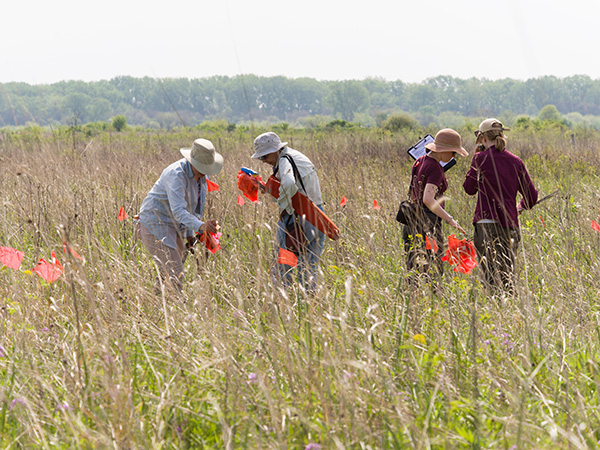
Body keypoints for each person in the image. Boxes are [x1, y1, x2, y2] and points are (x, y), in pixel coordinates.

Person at [137, 138, 223, 293]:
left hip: (174, 225)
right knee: (175, 271)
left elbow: (192, 208)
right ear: (193, 162)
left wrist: (191, 235)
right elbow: (178, 210)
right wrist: (201, 226)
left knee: (168, 271)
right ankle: (174, 311)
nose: (205, 172)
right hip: (155, 222)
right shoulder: (176, 175)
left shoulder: (202, 177)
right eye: (202, 167)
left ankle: (158, 308)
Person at [463, 118, 538, 292]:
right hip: (508, 225)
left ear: (482, 138)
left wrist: (475, 160)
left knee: (490, 278)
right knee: (507, 277)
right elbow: (531, 197)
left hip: (485, 226)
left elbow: (469, 189)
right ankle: (508, 313)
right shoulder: (516, 161)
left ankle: (495, 312)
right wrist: (519, 207)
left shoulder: (479, 159)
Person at [252, 131, 325, 292]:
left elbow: (290, 184)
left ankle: (281, 301)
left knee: (284, 265)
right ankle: (309, 304)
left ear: (275, 151)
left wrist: (283, 205)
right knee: (309, 266)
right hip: (317, 217)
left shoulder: (285, 161)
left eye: (264, 157)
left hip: (298, 219)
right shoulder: (294, 156)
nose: (263, 161)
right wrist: (266, 189)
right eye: (260, 158)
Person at [403, 128, 468, 279]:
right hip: (428, 224)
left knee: (414, 268)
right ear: (444, 150)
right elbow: (428, 199)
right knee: (434, 270)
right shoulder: (436, 168)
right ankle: (434, 300)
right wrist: (450, 220)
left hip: (411, 219)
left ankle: (413, 300)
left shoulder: (420, 161)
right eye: (453, 152)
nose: (453, 156)